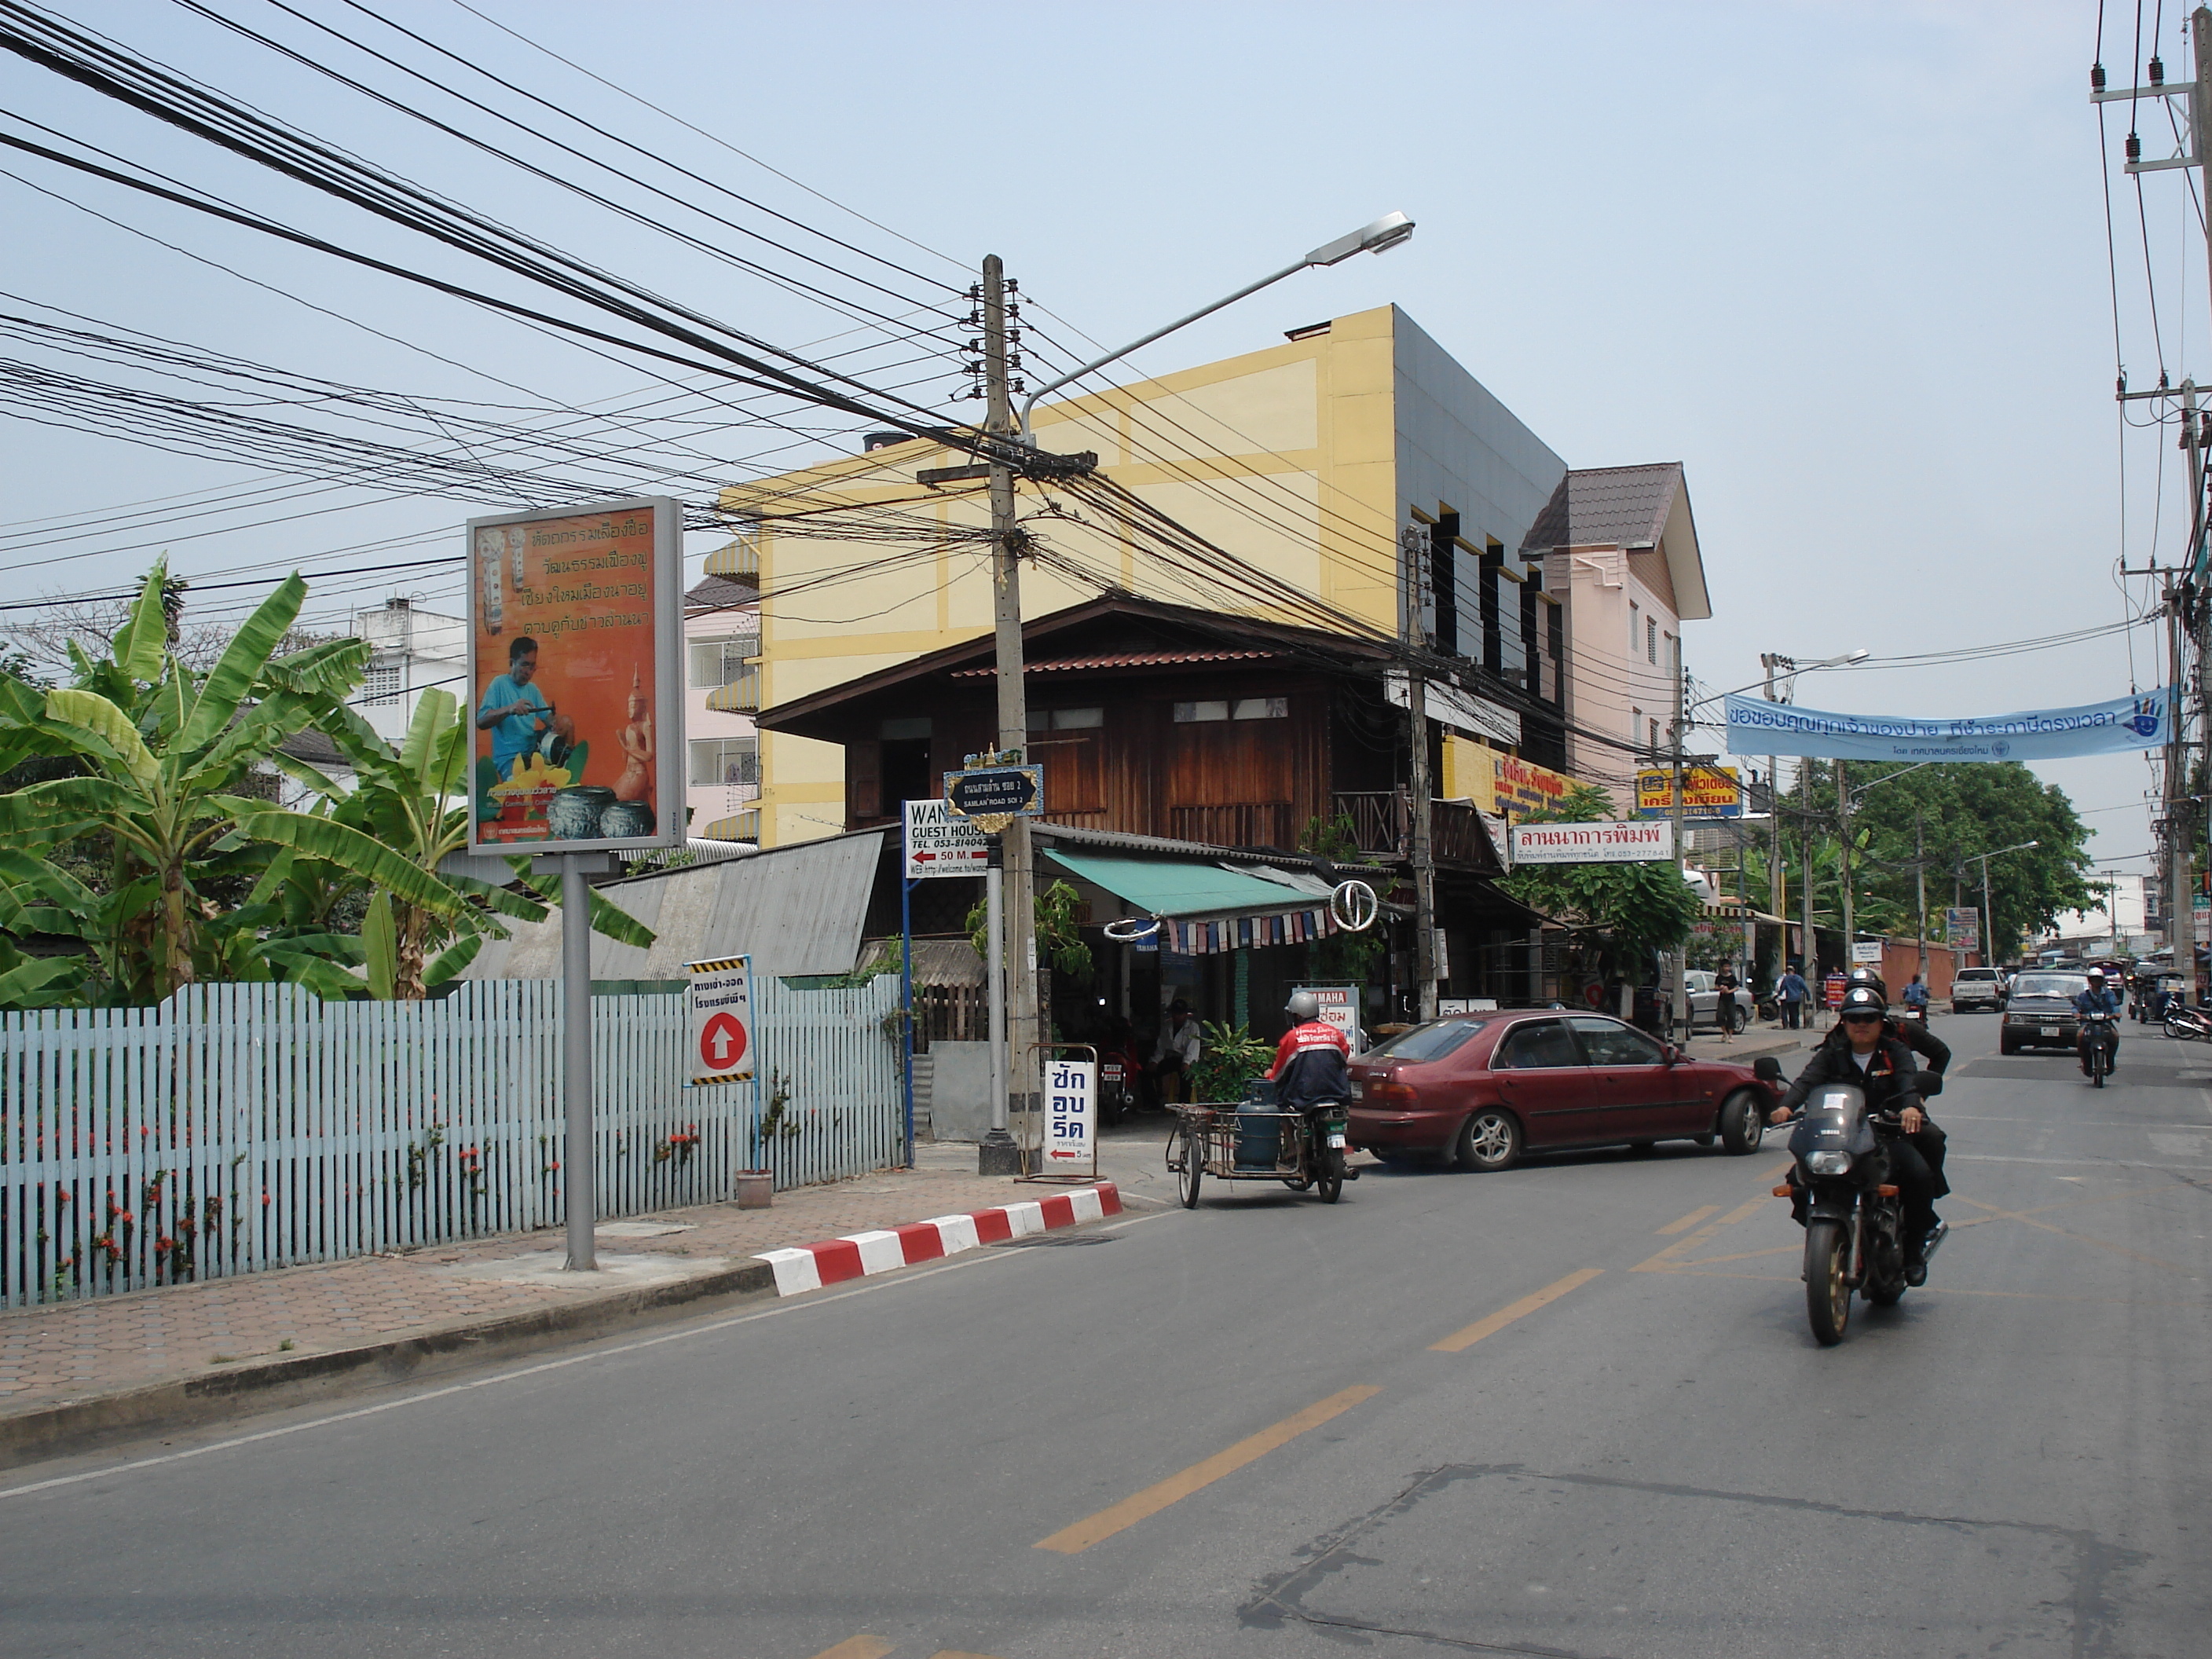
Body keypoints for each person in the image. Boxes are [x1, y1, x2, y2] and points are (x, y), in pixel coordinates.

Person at [1771, 983, 1943, 1284]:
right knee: (1797, 1181)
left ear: (1881, 1021)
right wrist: (1785, 1107)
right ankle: (1828, 1233)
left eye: (1869, 1018)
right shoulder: (1832, 1053)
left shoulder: (1894, 1051)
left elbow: (1908, 1082)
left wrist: (1911, 1107)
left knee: (1918, 1177)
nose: (1861, 1025)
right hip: (1842, 1135)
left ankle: (1914, 1249)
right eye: (1854, 1019)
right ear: (1844, 1022)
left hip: (1885, 1134)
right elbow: (1806, 1081)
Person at [1266, 991, 1361, 1180]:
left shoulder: (1292, 1038)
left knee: (1281, 1106)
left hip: (1305, 1096)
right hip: (1337, 1093)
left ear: (1298, 1015)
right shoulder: (1335, 1034)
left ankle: (1291, 1147)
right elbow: (1343, 1058)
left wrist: (1270, 1077)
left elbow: (1280, 1072)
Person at [476, 635, 551, 781]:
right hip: (509, 758)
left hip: (533, 753)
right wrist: (510, 709)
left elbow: (549, 719)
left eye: (532, 666)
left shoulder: (533, 689)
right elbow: (481, 721)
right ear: (512, 663)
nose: (528, 671)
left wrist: (558, 723)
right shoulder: (499, 683)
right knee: (518, 787)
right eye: (524, 665)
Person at [1148, 1000, 1202, 1104]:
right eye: (1175, 1013)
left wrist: (1187, 1062)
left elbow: (1193, 1048)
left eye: (1180, 1014)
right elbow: (1161, 1048)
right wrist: (1155, 1061)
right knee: (1148, 1073)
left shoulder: (1193, 1027)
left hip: (1187, 1059)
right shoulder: (1167, 1026)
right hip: (1171, 1058)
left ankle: (1184, 1105)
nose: (1177, 1016)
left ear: (1186, 1014)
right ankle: (1152, 1103)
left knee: (1187, 1075)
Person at [2075, 967, 2122, 1076]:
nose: (2096, 982)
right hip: (2088, 1023)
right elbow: (2076, 1006)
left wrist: (2116, 1014)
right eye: (2094, 980)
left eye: (2098, 980)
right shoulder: (2084, 995)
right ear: (2090, 981)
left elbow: (2114, 1005)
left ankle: (2111, 1060)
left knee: (2115, 1036)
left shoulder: (2109, 993)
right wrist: (2076, 1013)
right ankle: (2083, 1060)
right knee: (2080, 1035)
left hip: (2105, 1022)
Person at [1777, 961, 1808, 1031]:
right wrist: (1808, 996)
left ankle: (1794, 1025)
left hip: (1790, 998)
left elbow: (1782, 988)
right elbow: (1805, 987)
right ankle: (1795, 1024)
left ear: (1788, 972)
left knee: (1792, 1011)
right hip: (1798, 998)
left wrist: (1779, 995)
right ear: (1793, 971)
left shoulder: (1786, 979)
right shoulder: (1799, 978)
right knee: (1796, 1011)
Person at [1714, 965, 1741, 1042]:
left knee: (1731, 1016)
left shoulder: (1732, 978)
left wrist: (1729, 991)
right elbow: (1716, 987)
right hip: (1722, 999)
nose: (1726, 968)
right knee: (1720, 1015)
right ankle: (1724, 1033)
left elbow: (1736, 987)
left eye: (1728, 967)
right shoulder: (1719, 977)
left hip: (1731, 999)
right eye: (1725, 967)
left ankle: (1730, 1036)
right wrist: (1721, 988)